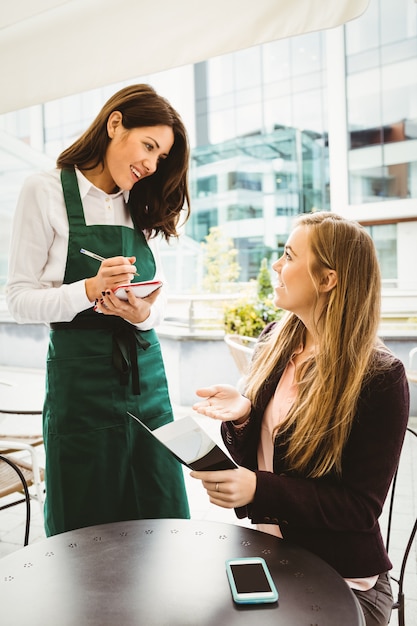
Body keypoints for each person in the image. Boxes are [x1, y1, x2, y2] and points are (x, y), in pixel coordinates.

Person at [191, 212, 409, 626]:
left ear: (327, 279)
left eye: (288, 255)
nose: (276, 265)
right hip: (270, 557)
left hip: (343, 580)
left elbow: (359, 508)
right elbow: (255, 454)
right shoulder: (277, 339)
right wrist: (243, 416)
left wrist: (258, 488)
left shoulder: (380, 377)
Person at [6, 84, 191, 536]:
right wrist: (87, 289)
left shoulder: (141, 201)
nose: (151, 164)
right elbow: (17, 300)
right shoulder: (45, 190)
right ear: (115, 124)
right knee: (85, 522)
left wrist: (140, 313)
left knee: (160, 510)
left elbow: (159, 303)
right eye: (149, 145)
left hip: (146, 379)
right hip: (81, 383)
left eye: (161, 157)